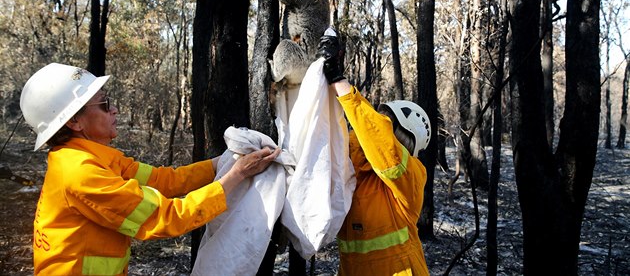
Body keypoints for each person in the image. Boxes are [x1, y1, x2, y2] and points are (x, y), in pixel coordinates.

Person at [20, 63, 280, 276]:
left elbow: (162, 180)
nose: (114, 109)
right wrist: (238, 174)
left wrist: (221, 163)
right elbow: (168, 217)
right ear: (74, 121)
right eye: (103, 104)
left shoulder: (90, 158)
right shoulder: (82, 173)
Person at [317, 33, 431, 275]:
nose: (380, 126)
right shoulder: (355, 170)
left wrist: (340, 82)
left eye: (388, 124)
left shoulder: (412, 174)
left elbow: (381, 146)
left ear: (406, 138)